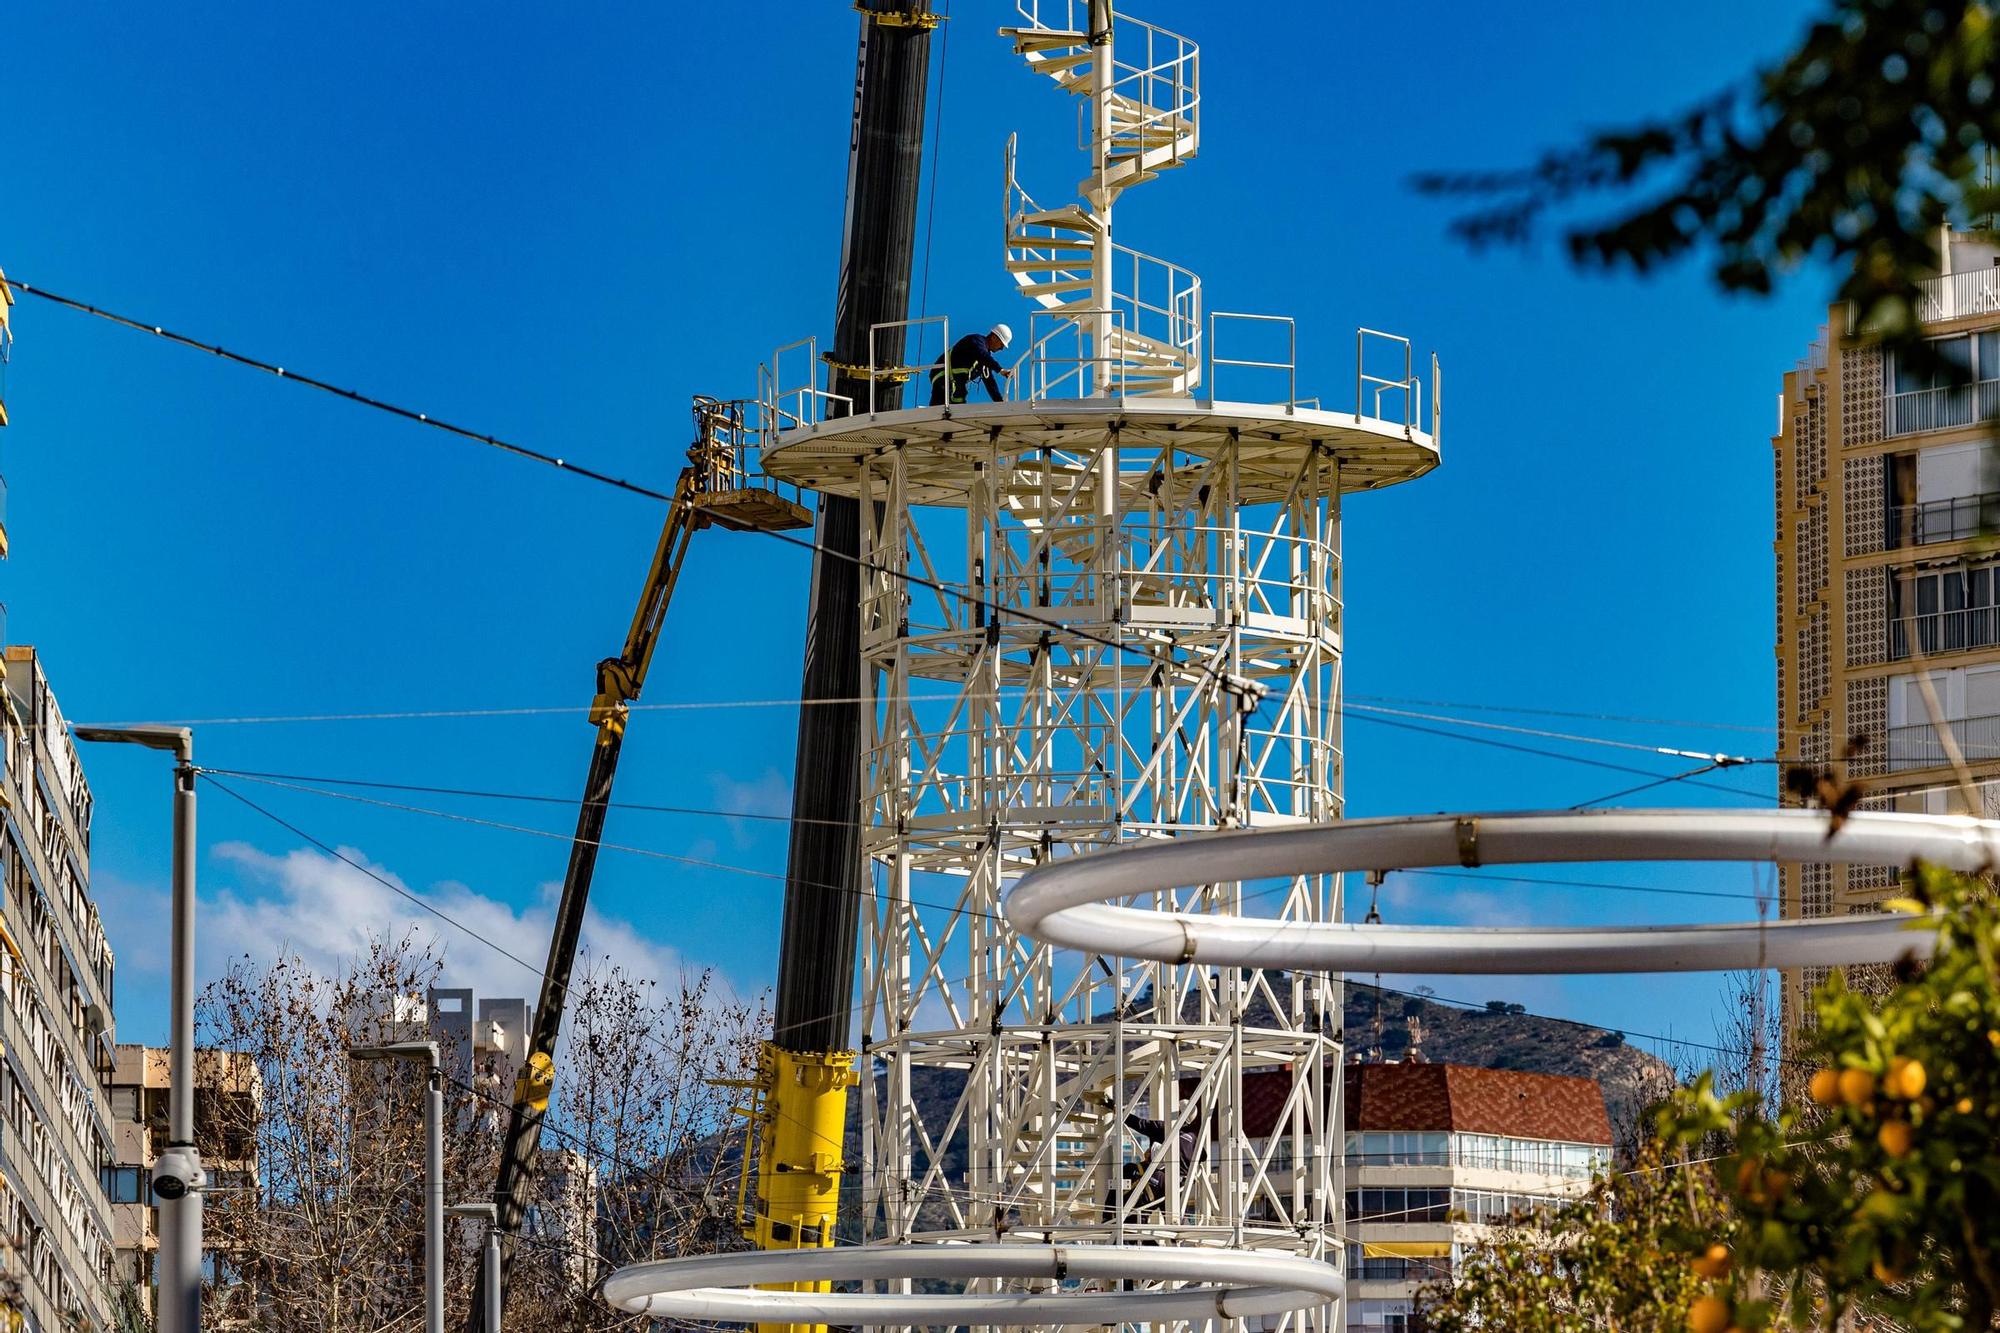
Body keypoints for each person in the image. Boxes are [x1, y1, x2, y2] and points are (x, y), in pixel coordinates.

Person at [928, 324, 1013, 405]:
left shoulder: (985, 359)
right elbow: (982, 354)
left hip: (954, 381)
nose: (1001, 348)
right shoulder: (976, 341)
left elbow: (990, 382)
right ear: (994, 337)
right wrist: (1000, 370)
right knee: (940, 407)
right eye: (1001, 344)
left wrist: (1000, 403)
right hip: (942, 375)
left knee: (957, 401)